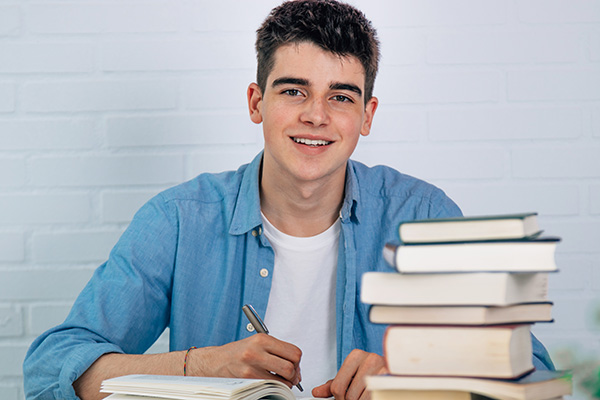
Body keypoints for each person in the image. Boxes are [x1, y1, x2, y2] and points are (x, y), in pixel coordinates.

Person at [23, 1, 555, 399]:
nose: (316, 116)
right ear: (257, 102)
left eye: (341, 96)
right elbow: (51, 371)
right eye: (294, 90)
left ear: (367, 116)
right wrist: (200, 366)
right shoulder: (179, 220)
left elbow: (530, 370)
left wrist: (413, 378)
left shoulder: (422, 214)